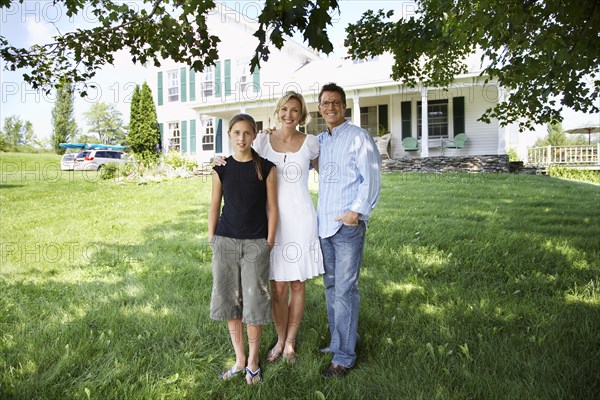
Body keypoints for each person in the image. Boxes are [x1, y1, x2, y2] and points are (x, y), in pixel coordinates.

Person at [214, 92, 324, 364]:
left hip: (301, 219)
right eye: (284, 109)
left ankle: (290, 343)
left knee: (297, 284)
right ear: (278, 112)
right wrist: (219, 161)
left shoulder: (311, 143)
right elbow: (241, 158)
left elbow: (329, 177)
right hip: (269, 222)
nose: (289, 114)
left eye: (295, 110)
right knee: (277, 287)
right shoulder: (262, 140)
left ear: (302, 115)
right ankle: (277, 338)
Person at [316, 82, 381, 378]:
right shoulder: (320, 141)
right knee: (331, 289)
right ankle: (338, 342)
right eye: (325, 103)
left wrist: (356, 212)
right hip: (324, 226)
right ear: (319, 108)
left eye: (336, 103)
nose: (331, 107)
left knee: (344, 290)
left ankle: (343, 357)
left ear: (344, 107)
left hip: (347, 227)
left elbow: (372, 178)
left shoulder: (359, 137)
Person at [208, 113, 278, 385]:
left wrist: (268, 242)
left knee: (255, 303)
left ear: (255, 135)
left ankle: (253, 361)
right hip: (225, 241)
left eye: (247, 133)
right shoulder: (221, 168)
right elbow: (215, 206)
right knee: (230, 304)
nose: (241, 138)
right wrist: (212, 238)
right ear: (229, 135)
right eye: (236, 133)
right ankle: (239, 359)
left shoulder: (266, 168)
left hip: (255, 245)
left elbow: (272, 207)